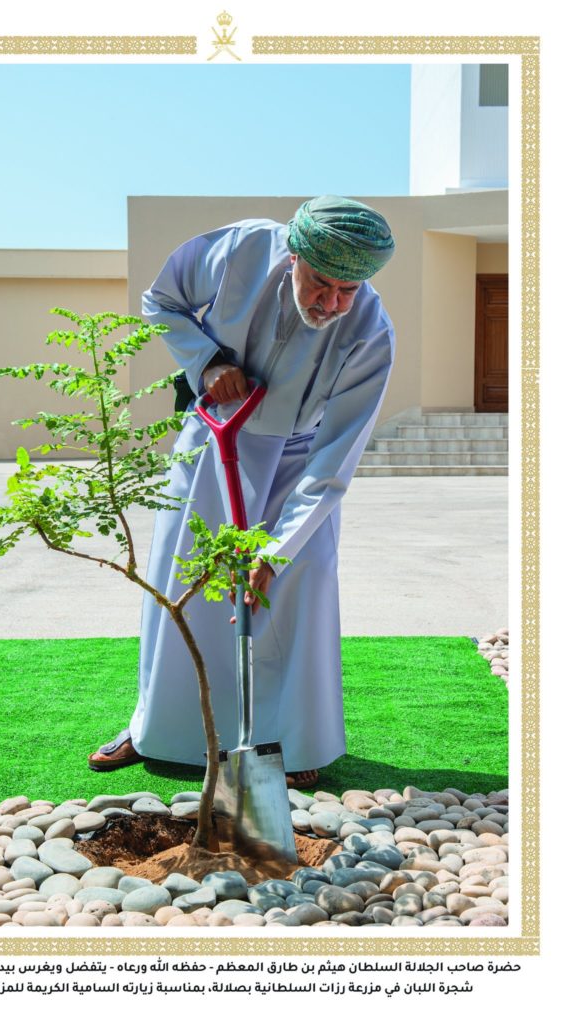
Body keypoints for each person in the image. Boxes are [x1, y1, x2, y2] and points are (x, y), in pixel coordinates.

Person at [89, 196, 396, 787]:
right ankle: (155, 727)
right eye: (320, 283)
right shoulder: (245, 247)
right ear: (294, 254)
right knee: (184, 581)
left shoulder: (371, 332)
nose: (331, 303)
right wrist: (205, 362)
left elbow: (335, 461)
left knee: (295, 594)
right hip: (214, 437)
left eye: (347, 290)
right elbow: (163, 301)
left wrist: (275, 551)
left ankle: (291, 742)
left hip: (301, 459)